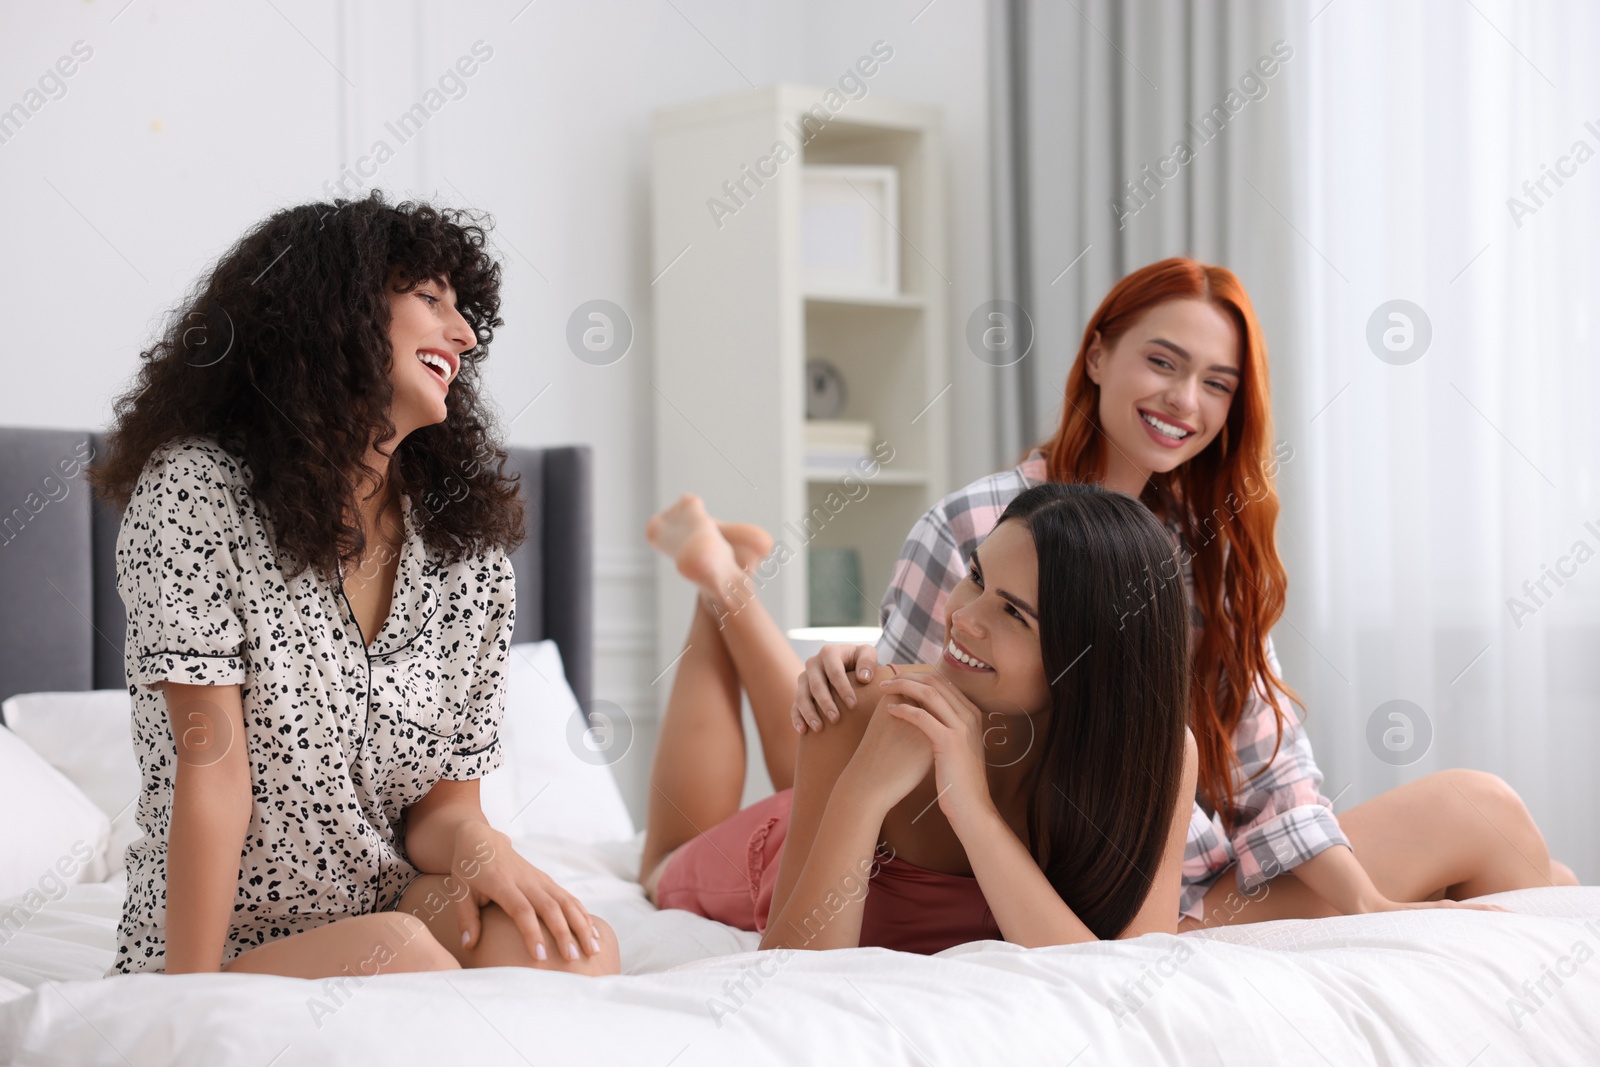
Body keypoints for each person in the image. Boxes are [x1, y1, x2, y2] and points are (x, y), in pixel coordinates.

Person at [791, 257, 1575, 929]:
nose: (1184, 401)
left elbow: (1271, 771)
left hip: (1196, 877)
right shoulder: (975, 523)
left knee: (1495, 820)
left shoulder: (1210, 555)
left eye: (1216, 384)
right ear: (1097, 355)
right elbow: (910, 729)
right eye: (1162, 363)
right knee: (1510, 840)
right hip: (1076, 884)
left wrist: (1366, 907)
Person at [87, 191, 618, 977]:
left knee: (578, 951)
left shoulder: (467, 557)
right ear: (335, 312)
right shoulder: (196, 494)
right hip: (219, 940)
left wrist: (483, 851)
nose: (465, 334)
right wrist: (187, 1005)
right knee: (404, 955)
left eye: (462, 311)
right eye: (431, 299)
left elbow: (443, 810)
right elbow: (213, 775)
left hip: (388, 903)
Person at [636, 485, 1198, 952]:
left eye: (1012, 613)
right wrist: (861, 792)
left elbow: (1126, 975)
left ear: (1091, 662)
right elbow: (792, 974)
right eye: (976, 576)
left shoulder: (1156, 757)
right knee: (659, 870)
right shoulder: (875, 708)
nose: (962, 619)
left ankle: (723, 576)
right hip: (787, 851)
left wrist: (970, 808)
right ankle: (719, 585)